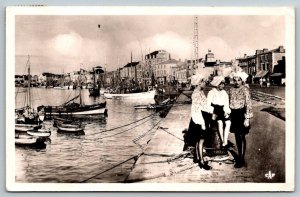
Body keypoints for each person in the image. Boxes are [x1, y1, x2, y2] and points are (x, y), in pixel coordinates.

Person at [229, 71, 253, 168]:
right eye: (235, 80)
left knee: (241, 135)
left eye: (239, 80)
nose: (237, 82)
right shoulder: (231, 90)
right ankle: (239, 156)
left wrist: (247, 118)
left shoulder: (245, 89)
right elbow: (229, 101)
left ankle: (241, 159)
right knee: (237, 136)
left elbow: (248, 104)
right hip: (234, 114)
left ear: (242, 80)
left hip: (241, 114)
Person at [189, 74, 212, 170]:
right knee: (201, 140)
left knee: (198, 140)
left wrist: (210, 111)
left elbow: (204, 106)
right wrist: (202, 123)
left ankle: (198, 157)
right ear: (199, 83)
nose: (205, 83)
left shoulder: (200, 92)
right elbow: (196, 110)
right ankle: (201, 161)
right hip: (199, 118)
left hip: (201, 117)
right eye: (203, 82)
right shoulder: (197, 94)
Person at [207, 76, 231, 148]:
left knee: (228, 122)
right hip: (215, 110)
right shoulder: (211, 92)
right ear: (217, 84)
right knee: (219, 123)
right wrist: (212, 112)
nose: (222, 85)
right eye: (221, 84)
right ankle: (222, 141)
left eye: (223, 84)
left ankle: (225, 141)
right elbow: (208, 104)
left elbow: (226, 104)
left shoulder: (224, 93)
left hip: (222, 109)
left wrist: (226, 112)